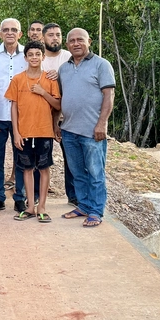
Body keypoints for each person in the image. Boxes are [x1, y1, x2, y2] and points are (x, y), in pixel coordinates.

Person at [58, 28, 115, 228]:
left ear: (88, 41)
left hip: (92, 131)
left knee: (95, 173)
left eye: (80, 40)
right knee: (76, 172)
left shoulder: (101, 64)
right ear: (67, 45)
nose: (76, 43)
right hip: (68, 130)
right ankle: (83, 205)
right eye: (72, 41)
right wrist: (58, 124)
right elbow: (63, 98)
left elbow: (109, 95)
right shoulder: (64, 68)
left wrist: (102, 123)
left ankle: (95, 211)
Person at [5, 42, 61, 223]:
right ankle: (30, 206)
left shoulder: (50, 79)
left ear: (43, 57)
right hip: (24, 132)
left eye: (38, 54)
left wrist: (43, 92)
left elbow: (58, 105)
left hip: (44, 132)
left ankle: (42, 207)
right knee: (26, 169)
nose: (35, 57)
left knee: (44, 169)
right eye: (31, 54)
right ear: (26, 57)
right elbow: (13, 106)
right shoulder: (18, 79)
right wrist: (16, 132)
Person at [0, 18, 26, 213]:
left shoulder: (28, 55)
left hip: (22, 117)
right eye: (6, 30)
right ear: (0, 34)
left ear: (20, 34)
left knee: (22, 158)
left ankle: (20, 197)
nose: (10, 33)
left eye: (14, 30)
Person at [41, 22, 76, 208]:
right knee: (40, 159)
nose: (55, 38)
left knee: (71, 158)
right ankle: (37, 196)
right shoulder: (38, 58)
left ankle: (74, 196)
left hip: (66, 118)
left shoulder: (69, 57)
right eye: (51, 35)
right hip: (41, 117)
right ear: (43, 38)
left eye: (58, 34)